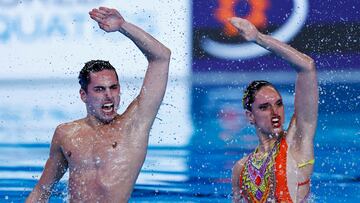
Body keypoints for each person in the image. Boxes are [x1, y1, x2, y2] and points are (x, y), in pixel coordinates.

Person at [26, 6, 171, 202]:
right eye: (100, 89)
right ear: (83, 95)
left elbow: (161, 57)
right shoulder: (66, 134)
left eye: (113, 87)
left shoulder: (134, 126)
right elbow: (41, 191)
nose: (109, 96)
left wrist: (123, 26)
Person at [230, 17, 318, 202]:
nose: (275, 112)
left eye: (278, 104)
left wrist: (258, 38)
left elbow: (307, 67)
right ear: (250, 116)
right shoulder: (241, 169)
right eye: (264, 107)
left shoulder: (297, 142)